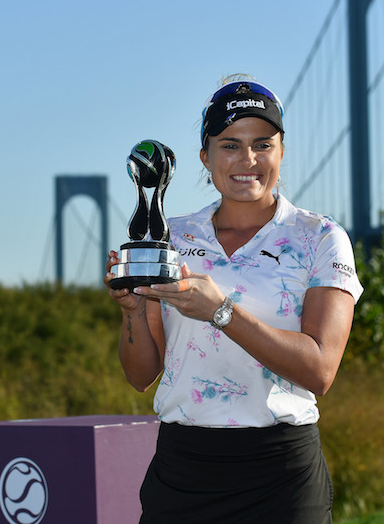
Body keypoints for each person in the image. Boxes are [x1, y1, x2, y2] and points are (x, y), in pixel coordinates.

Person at [104, 76, 363, 523]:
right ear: (205, 156)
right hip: (182, 470)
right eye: (229, 145)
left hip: (279, 475)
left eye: (263, 144)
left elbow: (320, 371)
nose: (248, 160)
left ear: (282, 151)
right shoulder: (172, 237)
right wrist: (131, 314)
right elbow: (142, 375)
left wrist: (221, 312)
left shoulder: (320, 237)